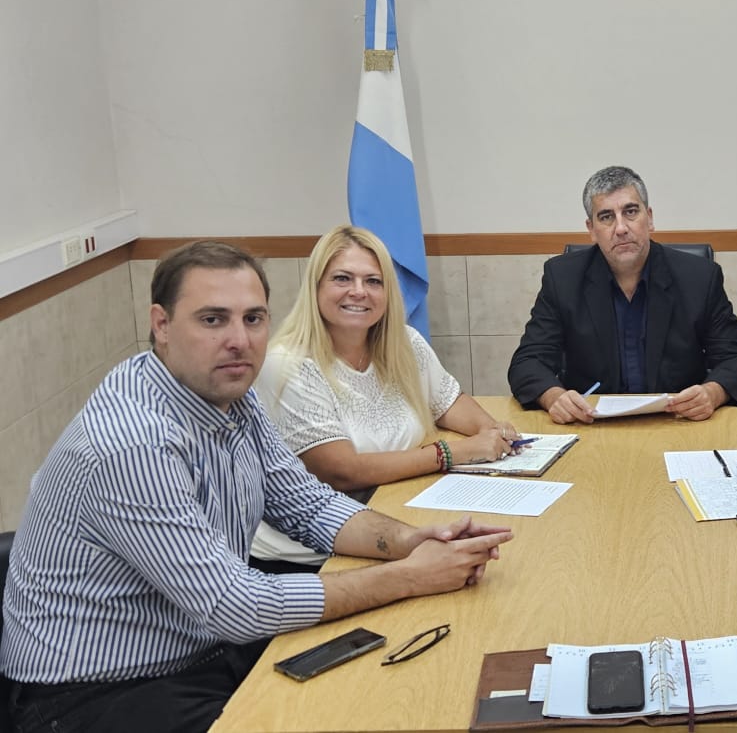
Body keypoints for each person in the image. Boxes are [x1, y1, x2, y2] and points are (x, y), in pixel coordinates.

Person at [0, 242, 513, 733]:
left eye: (253, 319)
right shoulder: (133, 444)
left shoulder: (232, 398)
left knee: (390, 692)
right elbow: (235, 606)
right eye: (212, 319)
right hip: (93, 693)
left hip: (201, 650)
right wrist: (409, 576)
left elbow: (308, 506)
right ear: (161, 324)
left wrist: (411, 540)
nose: (239, 341)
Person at [250, 225, 521, 571]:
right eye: (342, 279)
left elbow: (448, 402)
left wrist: (491, 430)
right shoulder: (287, 364)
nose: (358, 291)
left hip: (395, 517)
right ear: (315, 287)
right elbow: (344, 471)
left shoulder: (404, 342)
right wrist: (452, 452)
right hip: (313, 558)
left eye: (373, 281)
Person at [508, 165, 737, 424]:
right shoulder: (563, 279)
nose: (621, 228)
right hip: (592, 425)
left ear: (649, 218)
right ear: (591, 229)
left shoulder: (699, 278)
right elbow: (527, 363)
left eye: (630, 212)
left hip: (678, 422)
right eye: (606, 216)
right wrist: (554, 397)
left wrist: (712, 393)